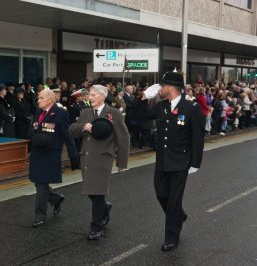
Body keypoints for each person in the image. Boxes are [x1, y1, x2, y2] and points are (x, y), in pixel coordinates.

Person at [135, 72, 204, 251]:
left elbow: (198, 137)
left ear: (171, 88)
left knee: (173, 200)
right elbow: (139, 115)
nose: (160, 89)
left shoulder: (191, 108)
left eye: (162, 86)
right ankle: (178, 216)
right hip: (163, 161)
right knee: (161, 194)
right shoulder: (161, 106)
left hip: (181, 162)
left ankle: (171, 237)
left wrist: (195, 162)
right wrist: (143, 97)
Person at [69, 84, 130, 240]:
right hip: (87, 157)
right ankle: (104, 207)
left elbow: (123, 138)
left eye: (93, 95)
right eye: (90, 95)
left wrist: (122, 162)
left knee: (97, 191)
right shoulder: (85, 113)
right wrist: (84, 127)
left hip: (103, 158)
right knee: (91, 191)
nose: (90, 98)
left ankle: (96, 227)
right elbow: (72, 130)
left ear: (102, 96)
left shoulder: (114, 113)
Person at [29, 89, 79, 227]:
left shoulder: (61, 113)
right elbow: (34, 129)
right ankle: (56, 198)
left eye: (41, 98)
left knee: (42, 183)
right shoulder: (38, 111)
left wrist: (73, 155)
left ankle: (40, 216)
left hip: (50, 154)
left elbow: (67, 135)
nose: (38, 100)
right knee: (38, 182)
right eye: (38, 98)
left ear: (50, 99)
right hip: (37, 152)